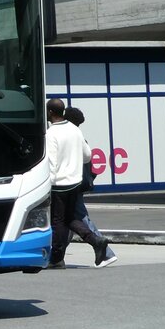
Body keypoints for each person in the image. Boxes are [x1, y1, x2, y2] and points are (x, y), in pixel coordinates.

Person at [46, 98, 113, 269]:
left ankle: (56, 258)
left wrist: (47, 185)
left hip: (58, 185)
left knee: (58, 222)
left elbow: (51, 164)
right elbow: (87, 156)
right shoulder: (74, 130)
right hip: (75, 183)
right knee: (70, 219)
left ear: (50, 113)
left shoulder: (51, 133)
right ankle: (96, 241)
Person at [65, 106, 117, 267]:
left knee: (80, 218)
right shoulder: (80, 138)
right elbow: (89, 163)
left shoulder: (69, 137)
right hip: (77, 185)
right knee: (66, 220)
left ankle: (106, 254)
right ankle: (55, 255)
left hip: (68, 186)